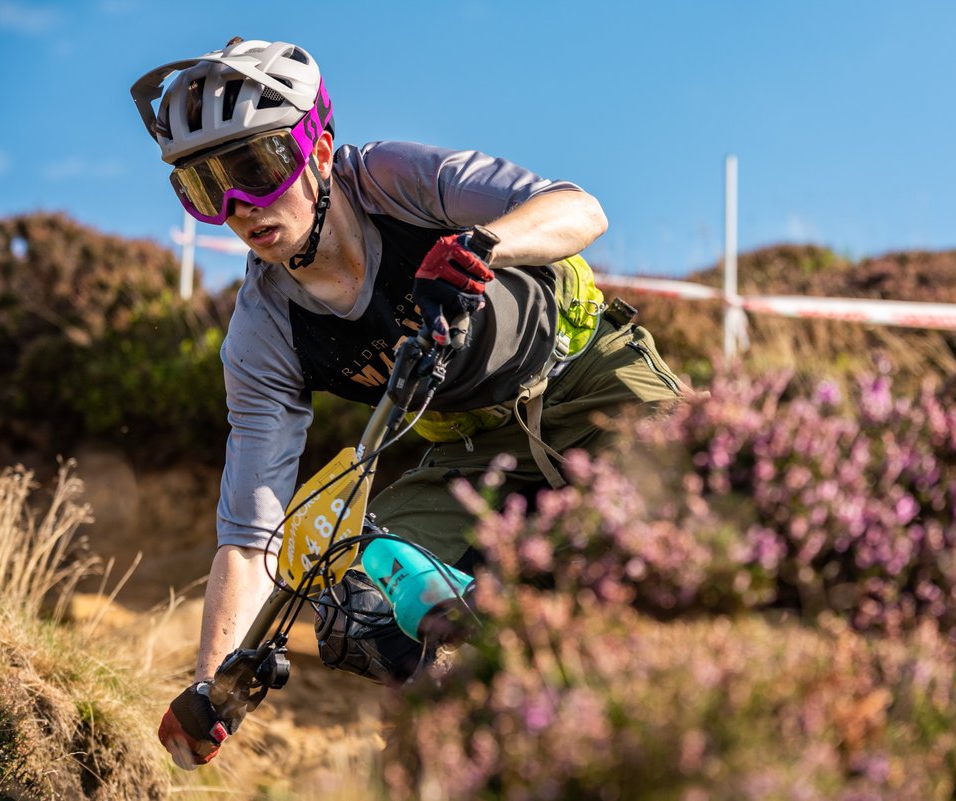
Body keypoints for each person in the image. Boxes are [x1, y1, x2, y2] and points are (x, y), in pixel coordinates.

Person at [132, 37, 681, 770]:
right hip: (476, 453)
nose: (239, 208)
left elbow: (581, 209)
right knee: (356, 601)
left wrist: (484, 244)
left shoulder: (393, 179)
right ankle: (488, 735)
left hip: (590, 372)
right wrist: (214, 685)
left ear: (318, 149)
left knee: (704, 512)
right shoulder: (265, 332)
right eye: (205, 190)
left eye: (257, 170)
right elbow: (250, 534)